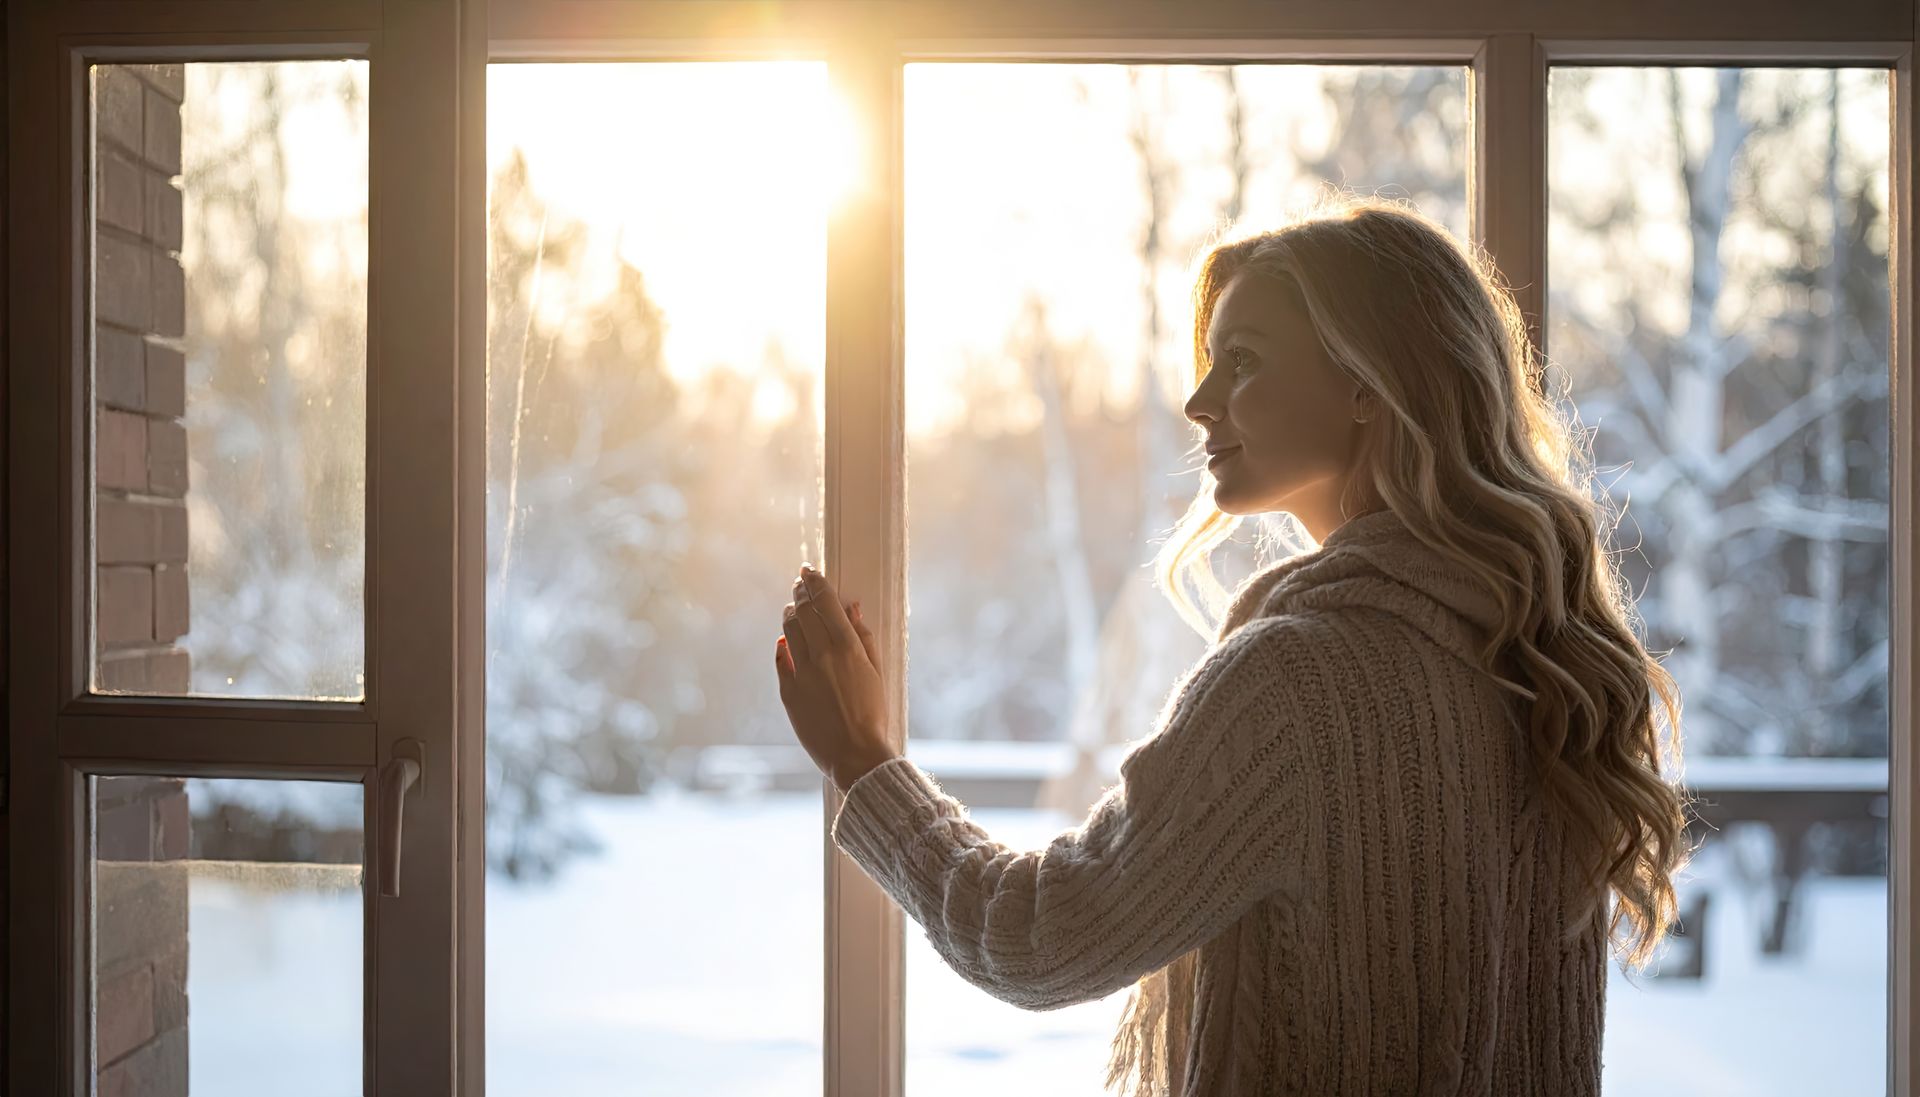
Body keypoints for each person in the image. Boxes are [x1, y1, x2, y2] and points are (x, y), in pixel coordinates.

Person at [773, 194, 1692, 1095]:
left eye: (1242, 362)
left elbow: (1037, 936)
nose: (1199, 399)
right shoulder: (1547, 660)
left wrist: (862, 759)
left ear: (1368, 383)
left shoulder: (1297, 682)